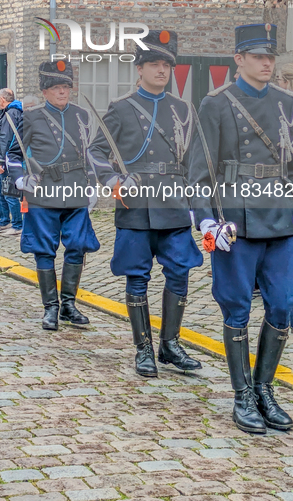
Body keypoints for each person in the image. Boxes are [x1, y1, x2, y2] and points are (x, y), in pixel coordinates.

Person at [190, 23, 293, 434]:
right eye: (258, 56)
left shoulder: (284, 102)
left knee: (283, 304)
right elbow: (198, 172)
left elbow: (291, 164)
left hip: (279, 218)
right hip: (232, 222)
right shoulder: (215, 103)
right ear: (238, 59)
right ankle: (242, 395)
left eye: (270, 57)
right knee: (236, 307)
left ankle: (265, 389)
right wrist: (206, 225)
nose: (266, 63)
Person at [89, 30, 203, 377]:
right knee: (137, 278)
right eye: (153, 64)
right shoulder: (121, 108)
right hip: (135, 203)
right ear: (139, 68)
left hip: (174, 203)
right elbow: (95, 150)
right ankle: (143, 350)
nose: (160, 70)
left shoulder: (183, 109)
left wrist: (199, 203)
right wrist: (112, 180)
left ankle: (170, 344)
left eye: (166, 65)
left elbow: (196, 160)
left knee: (179, 273)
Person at [7, 61, 99, 331]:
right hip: (43, 190)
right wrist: (21, 180)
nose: (62, 92)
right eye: (56, 87)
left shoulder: (82, 115)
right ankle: (51, 307)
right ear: (45, 91)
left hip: (76, 189)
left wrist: (91, 185)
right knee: (44, 249)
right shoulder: (32, 117)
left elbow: (89, 154)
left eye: (66, 87)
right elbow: (12, 155)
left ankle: (69, 305)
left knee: (77, 246)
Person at [0, 88, 23, 236]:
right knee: (1, 191)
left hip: (7, 160)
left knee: (10, 193)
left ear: (2, 99)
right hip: (5, 159)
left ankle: (17, 225)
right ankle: (4, 221)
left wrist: (1, 161)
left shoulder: (11, 114)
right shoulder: (10, 112)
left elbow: (5, 138)